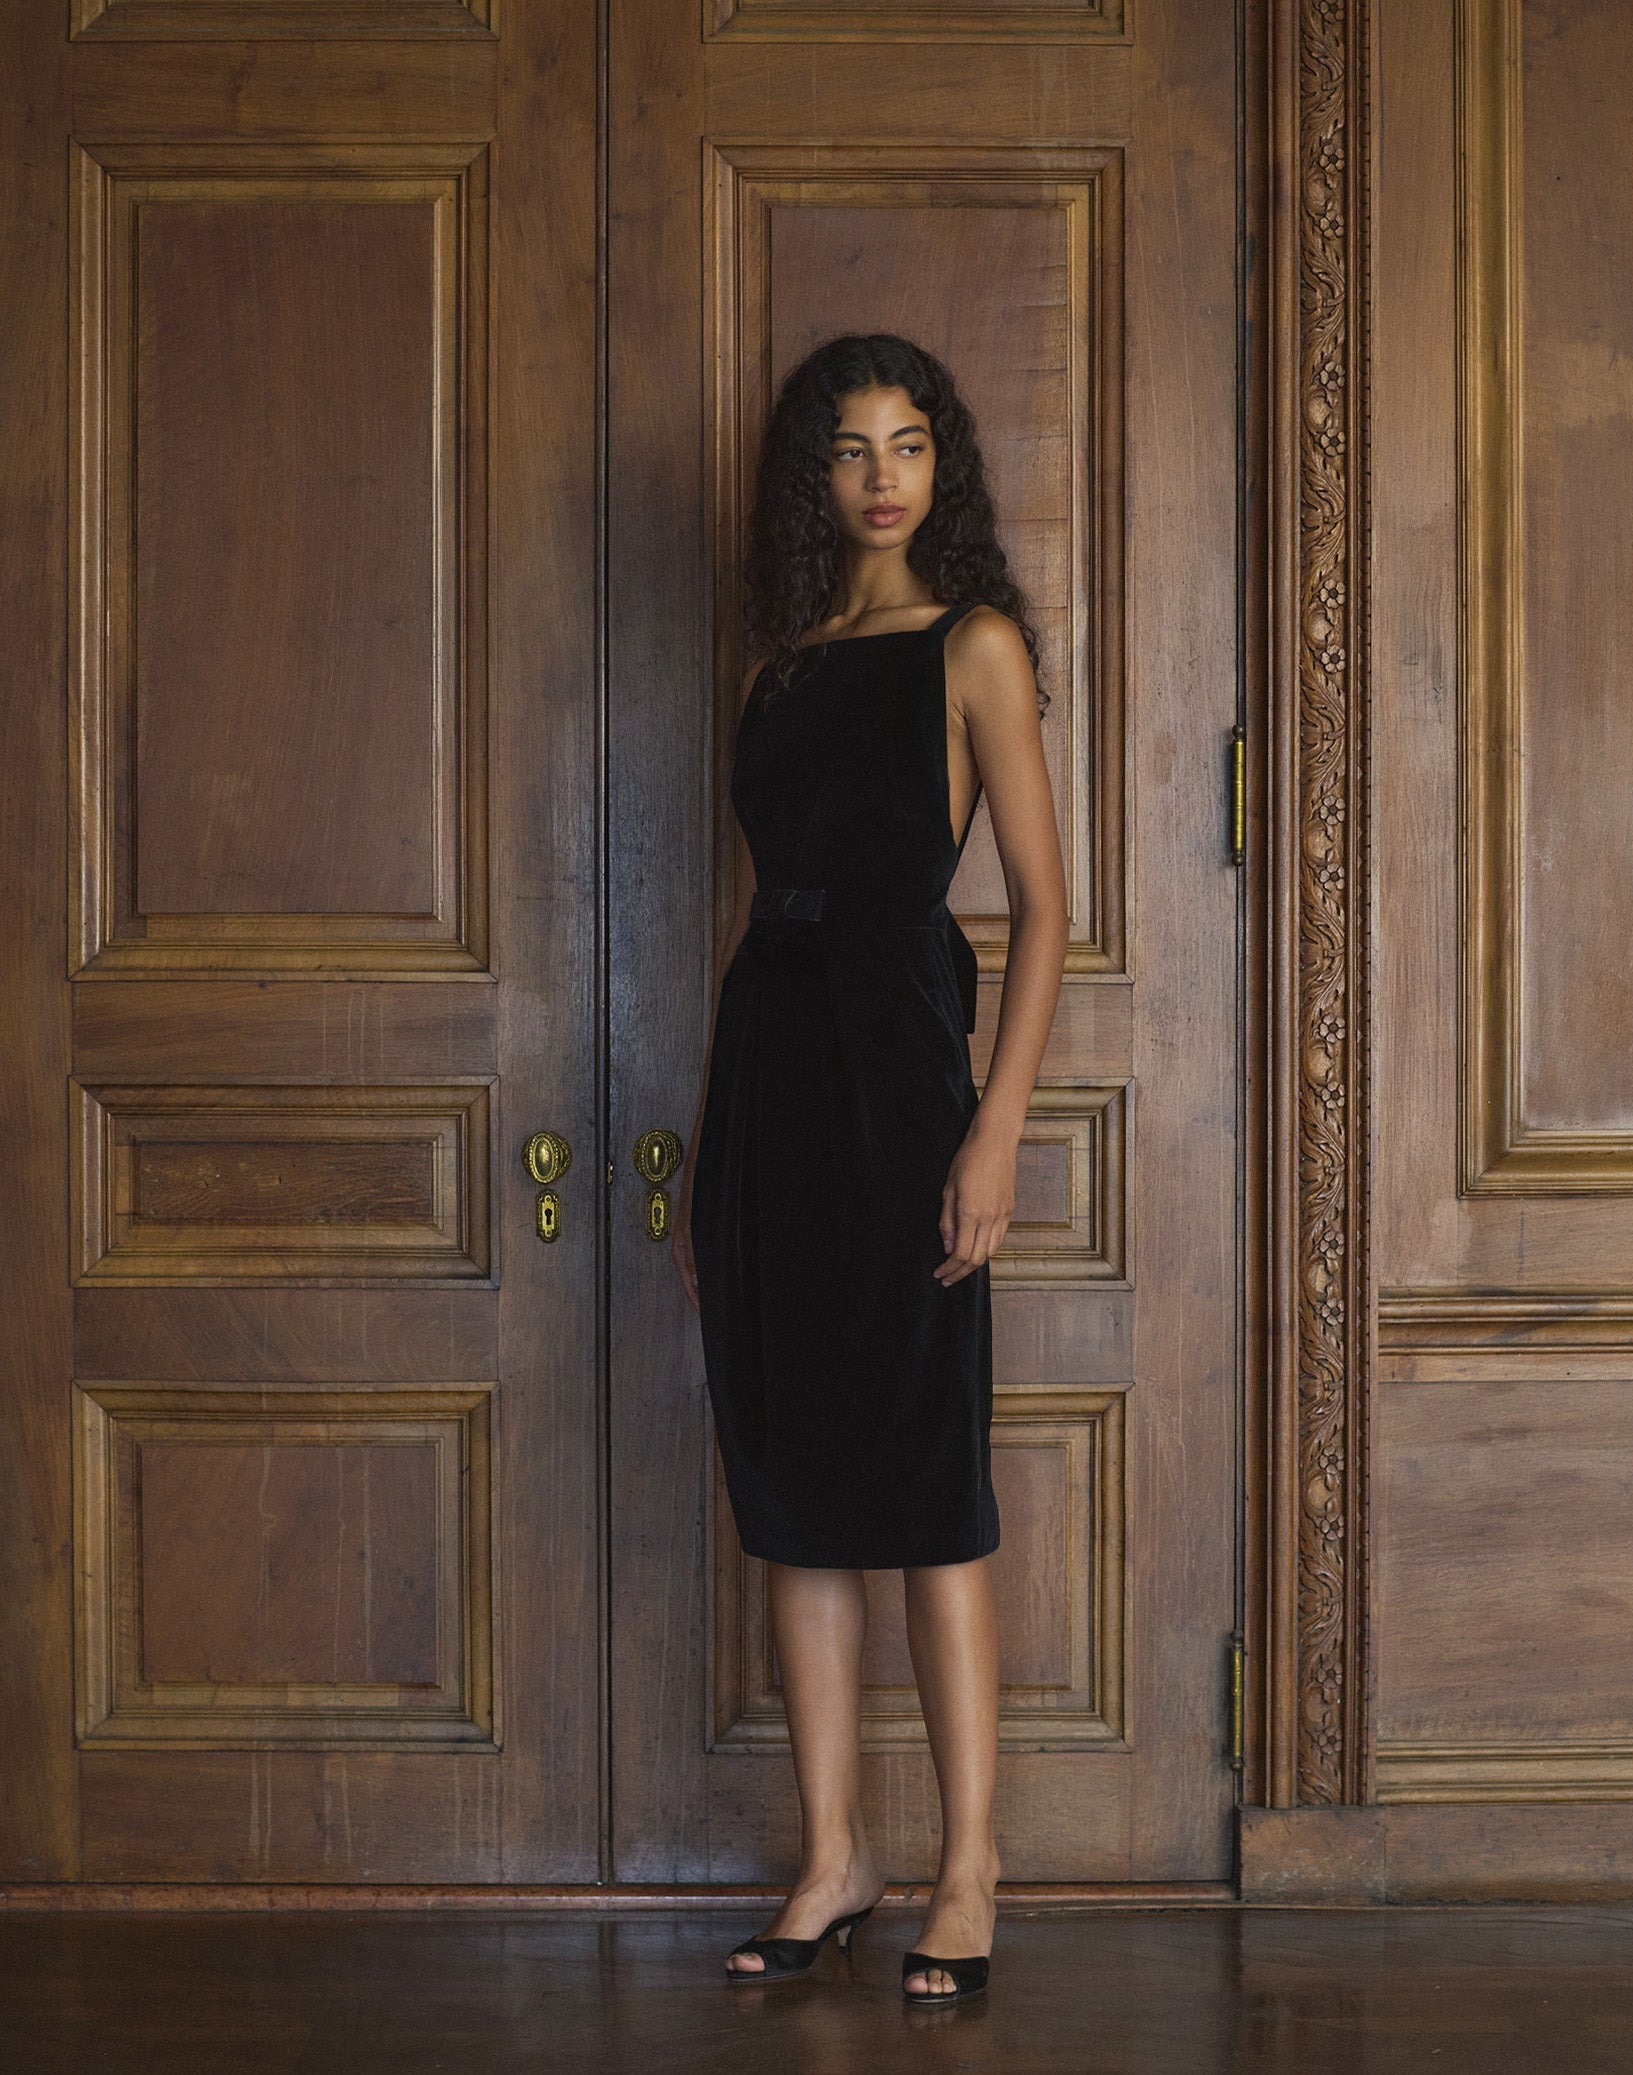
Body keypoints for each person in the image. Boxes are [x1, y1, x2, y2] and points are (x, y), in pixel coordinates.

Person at [672, 333, 1067, 2005]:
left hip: (904, 1093)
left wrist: (996, 1127)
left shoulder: (975, 647)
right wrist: (714, 1154)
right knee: (796, 1498)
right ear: (813, 477)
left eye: (908, 444)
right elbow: (759, 922)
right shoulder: (781, 665)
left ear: (940, 464)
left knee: (923, 1491)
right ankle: (835, 1856)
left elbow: (1043, 909)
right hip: (770, 1087)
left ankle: (969, 1868)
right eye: (851, 448)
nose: (882, 475)